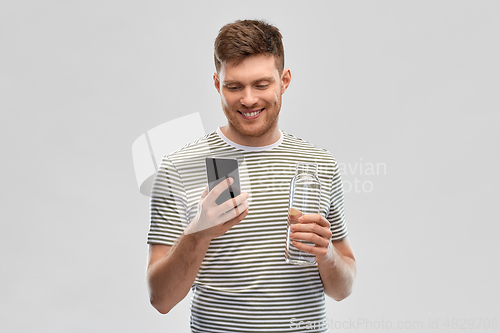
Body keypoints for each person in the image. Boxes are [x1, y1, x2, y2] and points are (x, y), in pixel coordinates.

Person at [146, 19, 356, 332]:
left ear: (284, 81)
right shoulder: (179, 166)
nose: (248, 99)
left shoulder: (318, 164)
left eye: (261, 84)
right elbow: (161, 299)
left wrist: (325, 255)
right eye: (234, 86)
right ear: (217, 84)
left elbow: (343, 289)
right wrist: (199, 233)